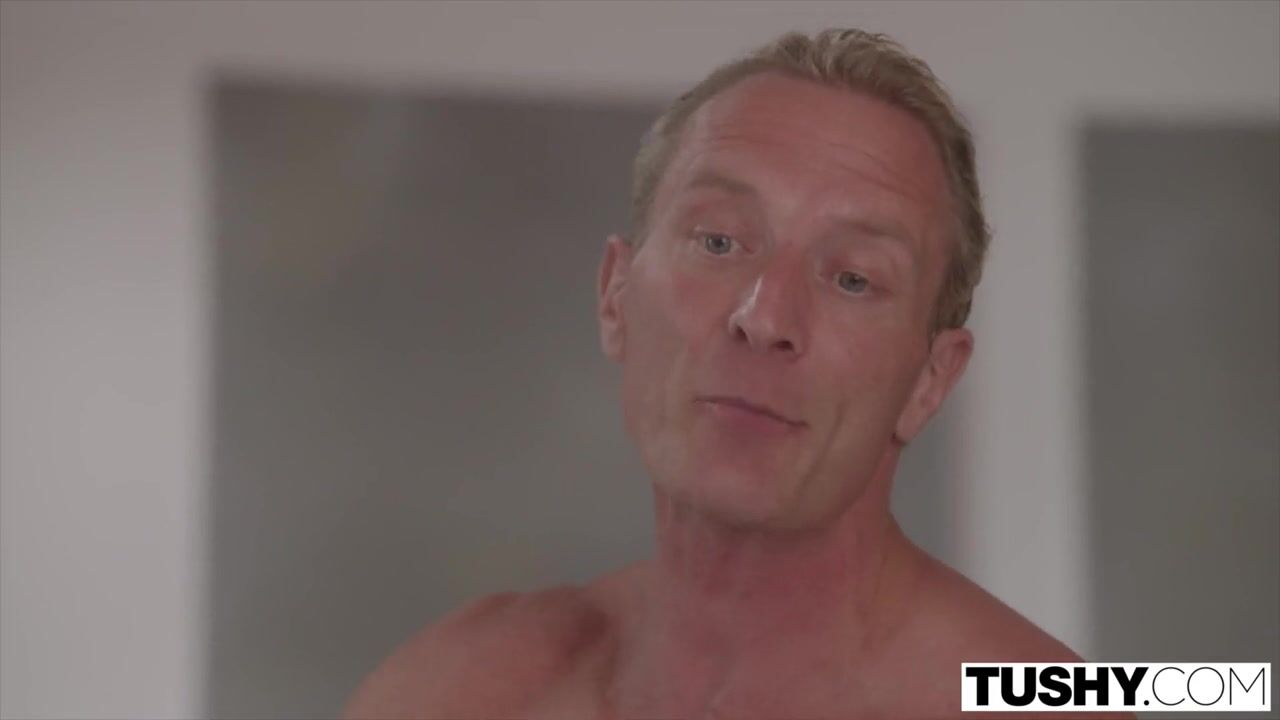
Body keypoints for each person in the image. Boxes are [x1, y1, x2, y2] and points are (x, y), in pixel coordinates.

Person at [345, 28, 1114, 719]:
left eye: (852, 278)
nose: (765, 315)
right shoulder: (462, 687)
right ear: (615, 296)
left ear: (930, 381)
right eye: (718, 241)